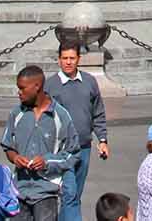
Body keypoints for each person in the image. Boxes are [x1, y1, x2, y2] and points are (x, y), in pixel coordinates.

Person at [1, 66, 75, 221]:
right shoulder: (16, 114)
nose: (19, 92)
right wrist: (15, 158)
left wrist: (46, 162)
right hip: (19, 190)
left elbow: (72, 154)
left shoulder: (60, 116)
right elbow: (8, 147)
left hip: (46, 192)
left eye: (22, 88)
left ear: (37, 86)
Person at [48, 44, 107, 221]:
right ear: (59, 59)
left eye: (72, 58)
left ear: (79, 59)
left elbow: (98, 112)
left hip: (84, 148)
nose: (68, 62)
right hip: (61, 151)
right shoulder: (50, 85)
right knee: (70, 193)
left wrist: (102, 139)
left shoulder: (89, 81)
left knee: (75, 195)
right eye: (64, 58)